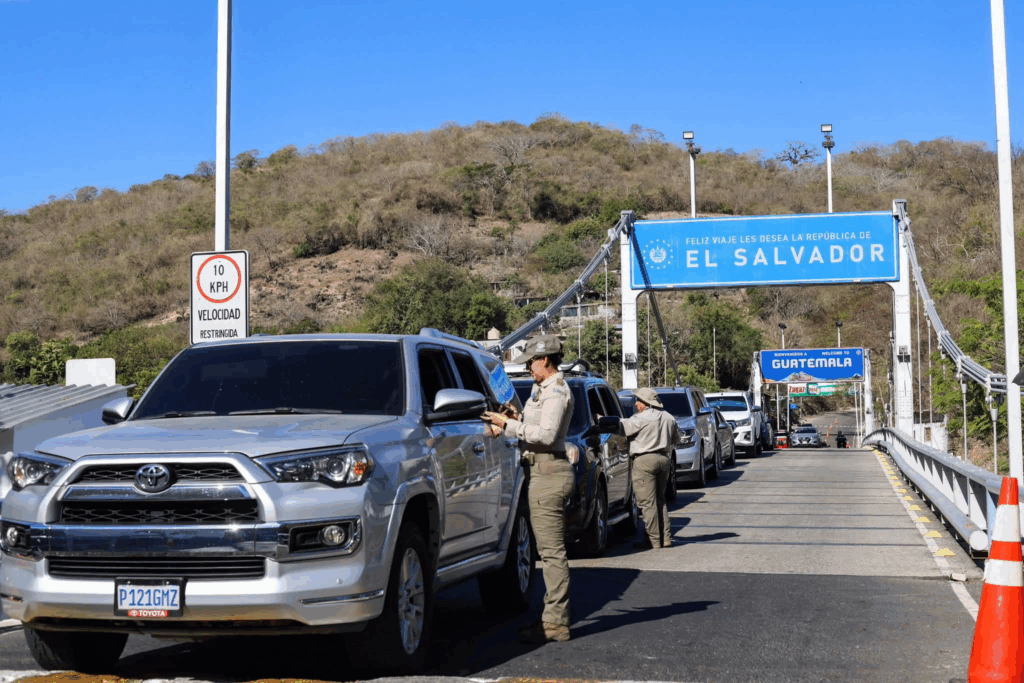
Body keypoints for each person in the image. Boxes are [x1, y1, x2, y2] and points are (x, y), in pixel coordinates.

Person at [483, 335, 575, 644]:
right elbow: (535, 426)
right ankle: (552, 617)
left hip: (549, 472)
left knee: (551, 554)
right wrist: (514, 418)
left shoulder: (557, 391)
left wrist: (507, 425)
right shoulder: (543, 389)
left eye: (530, 363)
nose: (528, 368)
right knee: (547, 552)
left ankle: (556, 623)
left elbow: (547, 435)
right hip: (540, 471)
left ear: (545, 361)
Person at [618, 387, 679, 550]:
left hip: (644, 461)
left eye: (638, 401)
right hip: (664, 459)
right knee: (660, 500)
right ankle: (666, 538)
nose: (636, 404)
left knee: (647, 503)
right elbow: (676, 439)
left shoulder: (639, 418)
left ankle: (653, 541)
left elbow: (622, 429)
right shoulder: (669, 417)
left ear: (645, 404)